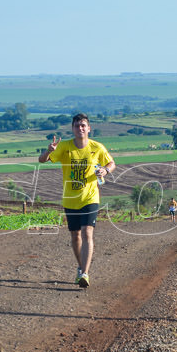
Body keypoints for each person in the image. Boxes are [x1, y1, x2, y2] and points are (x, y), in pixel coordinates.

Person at [38, 113, 115, 288]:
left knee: (87, 232)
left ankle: (85, 274)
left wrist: (105, 171)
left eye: (83, 125)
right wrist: (49, 151)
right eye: (77, 126)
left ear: (89, 128)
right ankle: (81, 268)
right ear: (72, 129)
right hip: (70, 199)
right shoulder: (64, 147)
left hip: (90, 197)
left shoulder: (97, 147)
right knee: (75, 236)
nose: (80, 128)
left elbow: (111, 163)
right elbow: (42, 160)